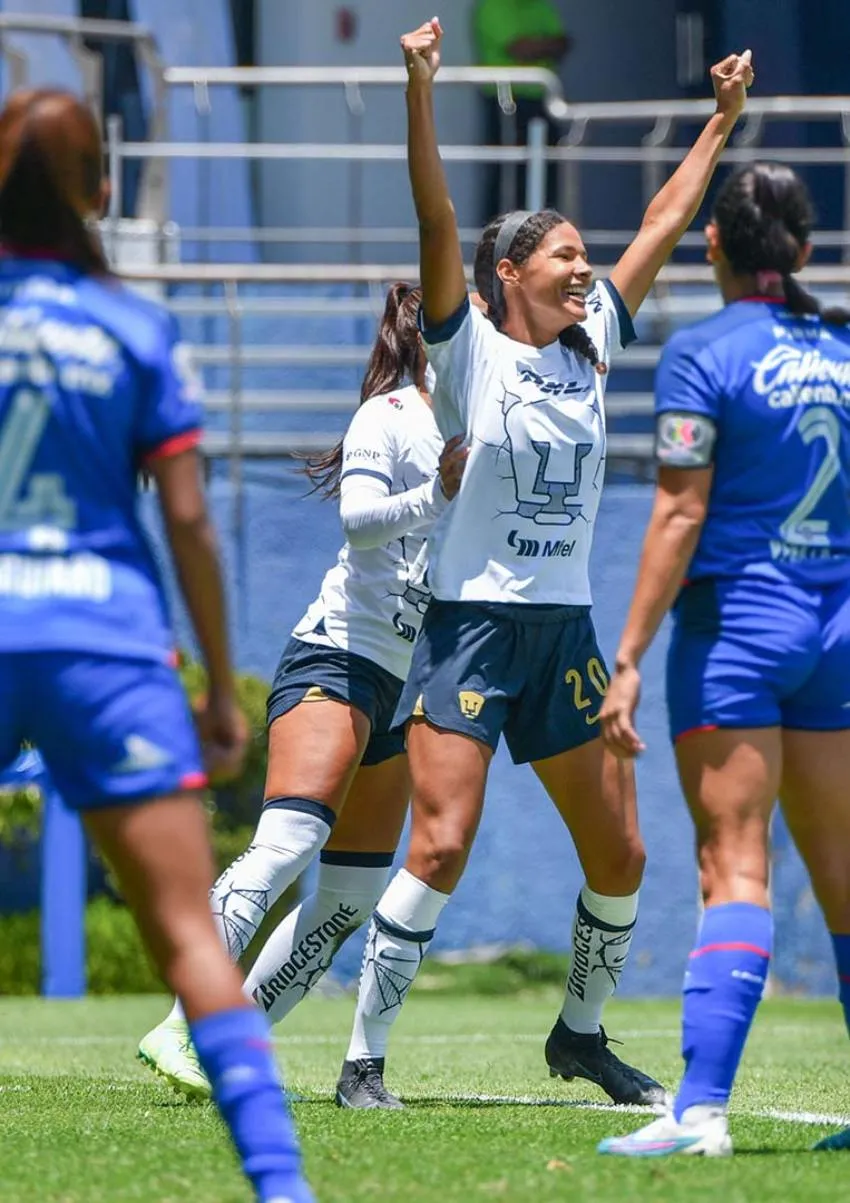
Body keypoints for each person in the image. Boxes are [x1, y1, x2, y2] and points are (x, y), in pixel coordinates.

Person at [337, 16, 753, 1111]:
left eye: (583, 256)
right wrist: (422, 91)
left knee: (621, 858)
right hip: (467, 627)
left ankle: (579, 1033)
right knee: (441, 844)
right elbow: (435, 213)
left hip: (561, 631)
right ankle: (363, 1059)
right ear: (507, 272)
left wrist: (720, 122)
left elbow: (665, 222)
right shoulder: (468, 350)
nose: (584, 269)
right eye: (564, 254)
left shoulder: (593, 341)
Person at [0, 89, 311, 1203]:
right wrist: (220, 686)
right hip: (107, 644)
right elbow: (185, 515)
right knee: (187, 933)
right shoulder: (132, 323)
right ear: (101, 191)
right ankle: (280, 1187)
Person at [137, 282, 467, 1107]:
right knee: (284, 844)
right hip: (337, 656)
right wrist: (443, 491)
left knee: (351, 893)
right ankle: (185, 1021)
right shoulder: (387, 417)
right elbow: (358, 520)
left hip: (402, 679)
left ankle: (230, 1042)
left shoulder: (472, 427)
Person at [596, 162, 850, 1157]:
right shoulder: (840, 347)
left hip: (740, 630)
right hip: (836, 631)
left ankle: (698, 1114)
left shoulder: (702, 353)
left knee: (732, 864)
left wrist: (626, 657)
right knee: (840, 874)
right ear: (803, 248)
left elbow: (677, 510)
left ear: (714, 248)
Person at [471, 0, 571, 219]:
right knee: (507, 179)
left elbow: (564, 43)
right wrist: (545, 46)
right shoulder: (492, 7)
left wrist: (537, 46)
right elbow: (519, 48)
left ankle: (544, 240)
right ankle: (497, 245)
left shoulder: (540, 6)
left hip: (543, 104)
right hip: (505, 105)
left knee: (547, 175)